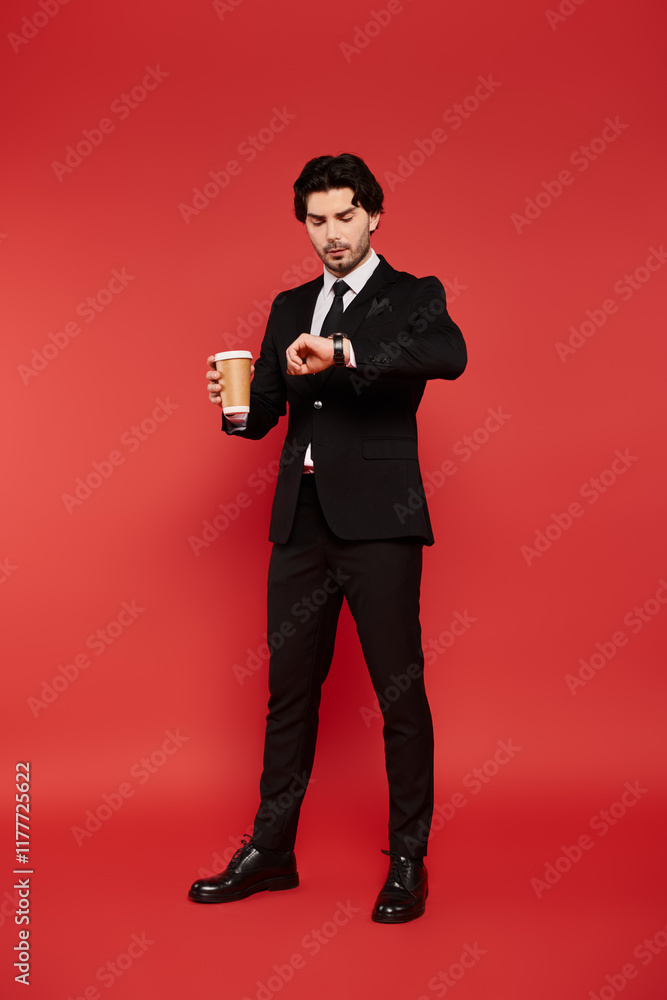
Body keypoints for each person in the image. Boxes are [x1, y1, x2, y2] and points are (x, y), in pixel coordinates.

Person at [188, 153, 467, 923]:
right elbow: (267, 412)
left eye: (345, 216)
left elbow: (448, 355)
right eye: (317, 219)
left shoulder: (412, 296)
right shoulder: (288, 305)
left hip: (379, 522)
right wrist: (233, 404)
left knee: (398, 695)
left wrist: (343, 351)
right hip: (300, 523)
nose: (332, 233)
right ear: (303, 224)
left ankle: (406, 860)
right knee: (288, 696)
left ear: (373, 215)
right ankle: (271, 851)